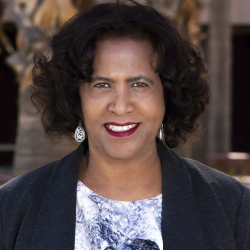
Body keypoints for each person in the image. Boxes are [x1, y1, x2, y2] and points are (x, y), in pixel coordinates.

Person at [0, 1, 249, 249]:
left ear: (168, 94)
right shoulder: (12, 209)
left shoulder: (233, 208)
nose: (120, 106)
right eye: (102, 84)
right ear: (75, 98)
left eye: (139, 84)